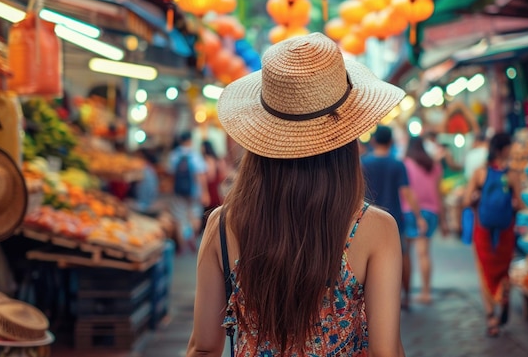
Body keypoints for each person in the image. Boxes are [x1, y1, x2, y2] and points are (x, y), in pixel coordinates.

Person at [187, 33, 407, 357]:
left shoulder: (223, 224)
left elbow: (204, 347)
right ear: (347, 140)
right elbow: (385, 352)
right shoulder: (377, 229)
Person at [463, 132, 522, 338]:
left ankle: (490, 317)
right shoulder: (513, 175)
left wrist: (476, 200)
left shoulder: (480, 173)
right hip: (505, 230)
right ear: (505, 149)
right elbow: (520, 204)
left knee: (483, 270)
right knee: (504, 269)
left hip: (484, 230)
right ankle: (503, 297)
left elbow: (466, 200)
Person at [361, 125, 424, 311]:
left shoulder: (363, 162)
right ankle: (405, 296)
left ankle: (370, 303)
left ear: (374, 141)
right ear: (390, 142)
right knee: (403, 255)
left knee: (368, 259)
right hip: (394, 219)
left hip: (367, 219)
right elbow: (407, 192)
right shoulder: (397, 164)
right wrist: (419, 216)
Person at [401, 136, 444, 305]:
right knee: (424, 253)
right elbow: (439, 192)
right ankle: (426, 292)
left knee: (407, 254)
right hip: (432, 212)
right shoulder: (434, 165)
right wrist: (444, 219)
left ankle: (407, 293)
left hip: (410, 211)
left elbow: (406, 191)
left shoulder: (405, 164)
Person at [168, 131, 210, 252]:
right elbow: (201, 176)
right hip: (194, 192)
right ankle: (191, 236)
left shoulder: (174, 155)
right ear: (190, 141)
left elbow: (171, 175)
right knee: (195, 215)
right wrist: (205, 193)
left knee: (179, 217)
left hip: (178, 191)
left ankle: (182, 245)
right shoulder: (195, 156)